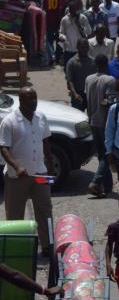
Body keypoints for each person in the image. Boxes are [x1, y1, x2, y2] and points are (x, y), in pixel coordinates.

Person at [0, 87, 56, 255]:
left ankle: (47, 246)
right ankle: (16, 248)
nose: (33, 102)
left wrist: (51, 165)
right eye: (29, 99)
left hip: (40, 173)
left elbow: (46, 142)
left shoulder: (41, 118)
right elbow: (3, 148)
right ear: (21, 101)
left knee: (45, 210)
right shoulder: (9, 121)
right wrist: (17, 167)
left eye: (35, 98)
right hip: (17, 177)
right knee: (15, 214)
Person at [86, 54, 118, 198]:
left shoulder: (89, 79)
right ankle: (96, 182)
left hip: (92, 120)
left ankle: (107, 185)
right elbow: (110, 103)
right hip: (104, 122)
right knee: (106, 155)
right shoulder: (110, 80)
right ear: (107, 64)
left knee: (101, 154)